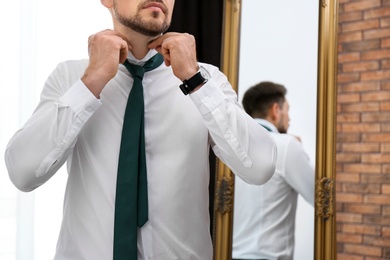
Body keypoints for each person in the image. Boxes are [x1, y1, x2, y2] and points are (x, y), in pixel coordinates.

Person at [4, 1, 277, 259]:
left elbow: (260, 167)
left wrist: (195, 80)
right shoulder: (70, 77)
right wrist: (91, 82)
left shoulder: (208, 80)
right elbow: (23, 173)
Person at [232, 81, 315, 260]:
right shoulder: (286, 146)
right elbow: (321, 196)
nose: (289, 118)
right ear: (276, 110)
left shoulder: (231, 147)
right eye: (287, 110)